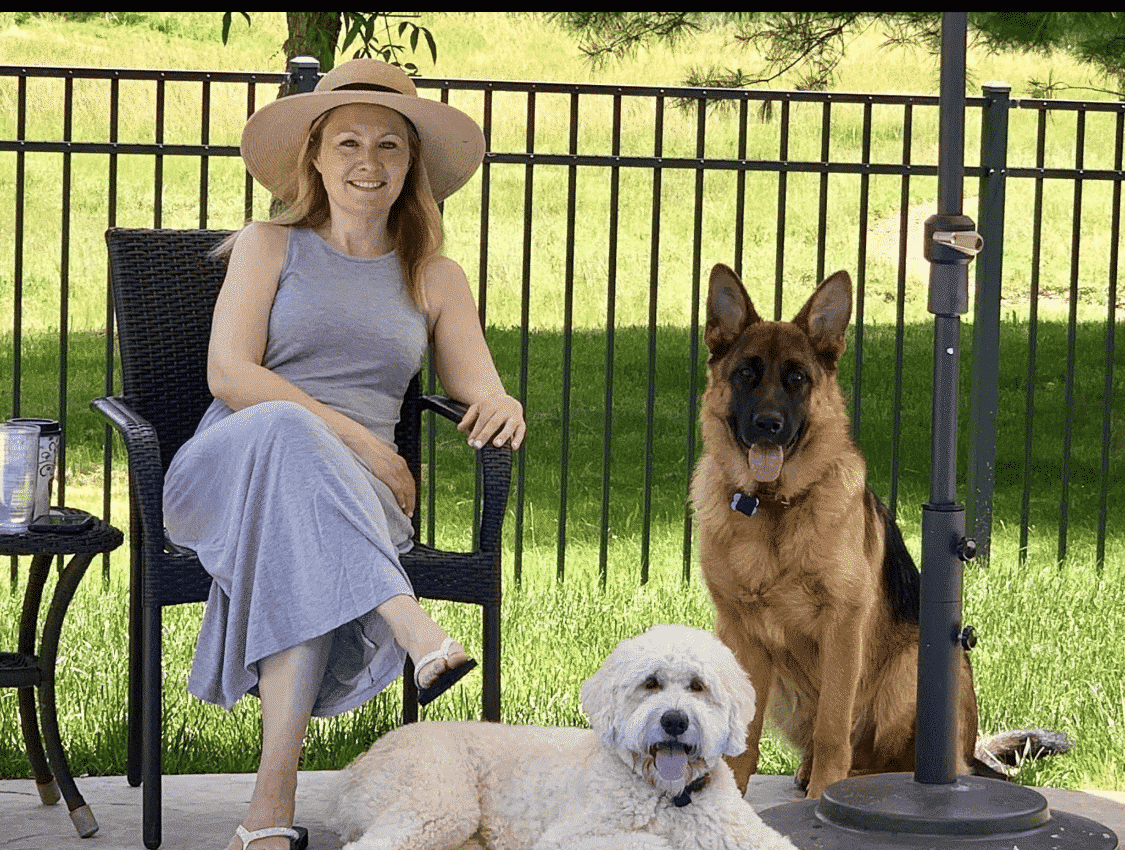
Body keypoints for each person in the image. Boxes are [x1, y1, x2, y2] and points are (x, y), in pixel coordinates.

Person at [162, 58, 525, 850]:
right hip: (231, 467)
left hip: (348, 502)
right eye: (349, 143)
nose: (369, 162)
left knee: (304, 546)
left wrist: (501, 404)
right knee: (288, 431)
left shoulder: (434, 275)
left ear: (411, 164)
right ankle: (410, 624)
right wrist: (368, 444)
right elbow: (231, 375)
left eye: (389, 145)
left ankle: (268, 810)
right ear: (316, 158)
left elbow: (479, 388)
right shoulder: (268, 245)